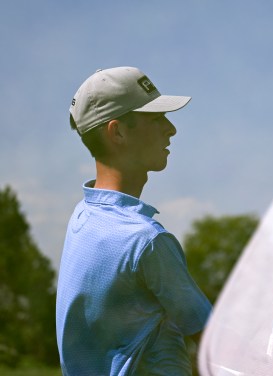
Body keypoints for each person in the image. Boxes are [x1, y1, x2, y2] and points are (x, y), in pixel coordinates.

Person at [56, 66, 212, 375]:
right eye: (156, 119)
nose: (171, 129)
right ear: (118, 132)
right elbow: (215, 343)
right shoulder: (145, 240)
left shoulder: (84, 216)